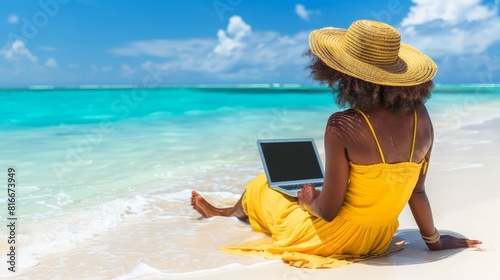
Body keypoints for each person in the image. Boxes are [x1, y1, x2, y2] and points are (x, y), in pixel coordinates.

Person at [191, 19, 481, 268]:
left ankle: (224, 213)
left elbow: (328, 211)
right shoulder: (422, 117)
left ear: (345, 73)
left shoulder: (342, 125)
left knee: (261, 186)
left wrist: (307, 199)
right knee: (289, 189)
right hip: (378, 237)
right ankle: (223, 212)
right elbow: (417, 191)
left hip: (332, 238)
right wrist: (434, 241)